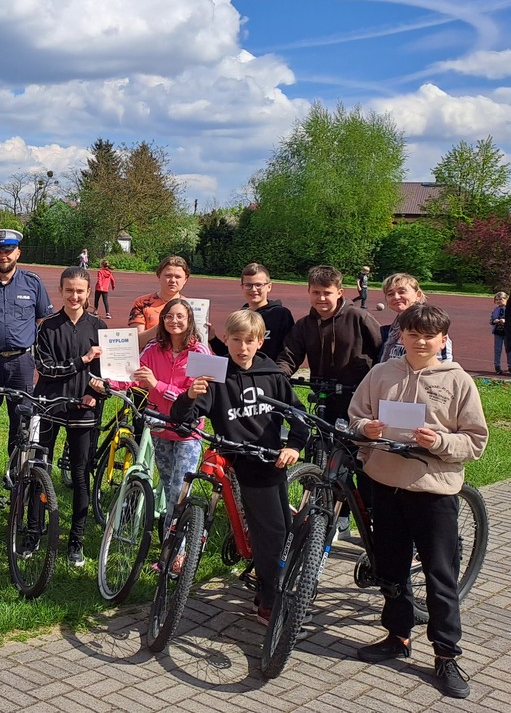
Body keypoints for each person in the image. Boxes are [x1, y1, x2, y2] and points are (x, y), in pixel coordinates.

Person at [349, 303, 487, 699]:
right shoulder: (381, 373)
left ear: (443, 340)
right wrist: (367, 428)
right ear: (402, 337)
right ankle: (397, 635)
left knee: (439, 576)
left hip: (433, 490)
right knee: (391, 570)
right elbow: (356, 417)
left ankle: (446, 655)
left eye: (430, 335)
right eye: (413, 333)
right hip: (385, 484)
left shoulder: (459, 381)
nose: (421, 340)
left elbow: (475, 441)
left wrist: (440, 440)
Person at [171, 309, 306, 621]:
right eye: (235, 340)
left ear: (259, 342)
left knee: (279, 528)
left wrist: (294, 446)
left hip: (272, 460)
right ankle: (268, 600)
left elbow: (297, 416)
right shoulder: (217, 377)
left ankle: (269, 583)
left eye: (249, 341)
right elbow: (183, 419)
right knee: (272, 532)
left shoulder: (272, 376)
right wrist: (189, 396)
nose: (242, 347)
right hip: (241, 461)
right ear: (226, 340)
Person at [0, 229, 53, 488]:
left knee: (20, 419)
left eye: (8, 251)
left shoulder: (33, 283)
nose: (3, 256)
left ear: (18, 253)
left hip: (21, 363)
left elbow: (41, 318)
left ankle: (15, 471)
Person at [34, 267, 106, 567]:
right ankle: (33, 532)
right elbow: (46, 369)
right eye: (69, 290)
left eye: (80, 291)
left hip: (83, 408)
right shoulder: (47, 326)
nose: (75, 296)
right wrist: (83, 361)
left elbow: (109, 373)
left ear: (88, 292)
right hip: (50, 405)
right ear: (60, 291)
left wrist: (98, 391)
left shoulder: (99, 327)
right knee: (40, 471)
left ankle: (75, 541)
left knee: (79, 476)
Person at [122, 298, 212, 528]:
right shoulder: (154, 348)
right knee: (168, 484)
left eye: (180, 316)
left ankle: (175, 553)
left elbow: (193, 395)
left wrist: (157, 385)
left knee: (178, 494)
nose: (174, 321)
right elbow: (134, 377)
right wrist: (109, 381)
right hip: (160, 428)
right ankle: (172, 543)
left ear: (190, 319)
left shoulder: (200, 352)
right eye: (169, 316)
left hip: (187, 432)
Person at [276, 265, 383, 424]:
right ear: (309, 292)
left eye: (327, 293)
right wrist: (277, 376)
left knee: (352, 445)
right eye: (316, 293)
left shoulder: (359, 317)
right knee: (322, 439)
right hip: (323, 393)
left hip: (357, 395)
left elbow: (381, 350)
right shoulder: (304, 325)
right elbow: (289, 355)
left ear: (339, 292)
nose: (321, 298)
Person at [208, 262, 294, 362]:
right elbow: (232, 354)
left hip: (269, 374)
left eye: (258, 285)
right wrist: (213, 339)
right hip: (243, 374)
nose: (253, 289)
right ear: (242, 287)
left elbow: (289, 352)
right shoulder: (240, 316)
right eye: (248, 285)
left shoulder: (280, 315)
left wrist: (277, 375)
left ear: (269, 286)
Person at [379, 273, 453, 363]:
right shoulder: (395, 326)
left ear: (418, 295)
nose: (396, 297)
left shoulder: (428, 322)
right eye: (390, 294)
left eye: (402, 292)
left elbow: (444, 362)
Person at [128, 256, 190, 341]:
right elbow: (136, 341)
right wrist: (164, 326)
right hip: (149, 353)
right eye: (168, 275)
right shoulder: (142, 303)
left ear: (185, 279)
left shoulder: (190, 306)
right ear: (159, 276)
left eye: (178, 277)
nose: (172, 280)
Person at [492, 291, 508, 375]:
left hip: (508, 332)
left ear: (506, 299)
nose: (498, 301)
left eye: (500, 299)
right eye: (497, 299)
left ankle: (510, 366)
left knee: (509, 349)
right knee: (497, 349)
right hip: (498, 332)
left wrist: (505, 321)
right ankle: (497, 366)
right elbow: (491, 320)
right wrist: (495, 321)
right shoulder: (496, 310)